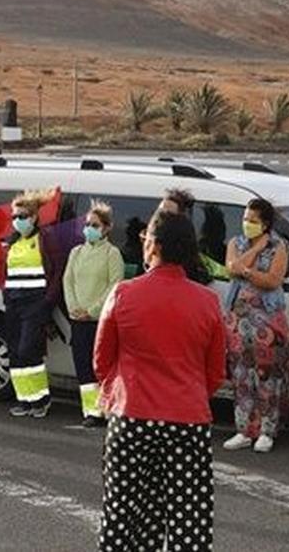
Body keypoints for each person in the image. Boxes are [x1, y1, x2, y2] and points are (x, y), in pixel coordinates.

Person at [94, 210, 226, 551]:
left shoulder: (124, 293)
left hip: (132, 416)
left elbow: (102, 360)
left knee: (123, 513)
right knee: (189, 519)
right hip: (187, 420)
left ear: (153, 245)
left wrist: (116, 393)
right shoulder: (208, 301)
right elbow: (215, 372)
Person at [223, 198, 289, 453]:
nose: (247, 224)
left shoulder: (278, 246)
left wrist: (247, 271)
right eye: (246, 219)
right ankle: (244, 429)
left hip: (267, 321)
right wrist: (255, 250)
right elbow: (232, 267)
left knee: (268, 376)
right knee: (241, 375)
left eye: (253, 220)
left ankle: (266, 430)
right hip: (238, 321)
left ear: (265, 224)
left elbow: (272, 280)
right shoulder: (236, 243)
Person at [63, 201, 124, 427]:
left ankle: (107, 409)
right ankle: (91, 410)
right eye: (87, 224)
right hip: (78, 319)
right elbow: (67, 281)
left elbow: (115, 285)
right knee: (83, 367)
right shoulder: (76, 252)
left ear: (107, 228)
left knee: (102, 366)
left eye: (95, 225)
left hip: (100, 320)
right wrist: (74, 308)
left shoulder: (111, 253)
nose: (89, 228)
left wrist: (92, 311)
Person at [5, 190, 56, 419]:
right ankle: (24, 398)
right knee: (15, 352)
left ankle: (41, 398)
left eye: (23, 216)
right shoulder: (13, 242)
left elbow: (55, 271)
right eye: (15, 216)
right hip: (14, 302)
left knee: (29, 350)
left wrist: (47, 302)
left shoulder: (43, 239)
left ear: (34, 217)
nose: (18, 220)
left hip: (35, 303)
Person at [159, 188, 225, 282]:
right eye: (160, 213)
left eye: (167, 215)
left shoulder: (195, 254)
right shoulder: (149, 243)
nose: (159, 218)